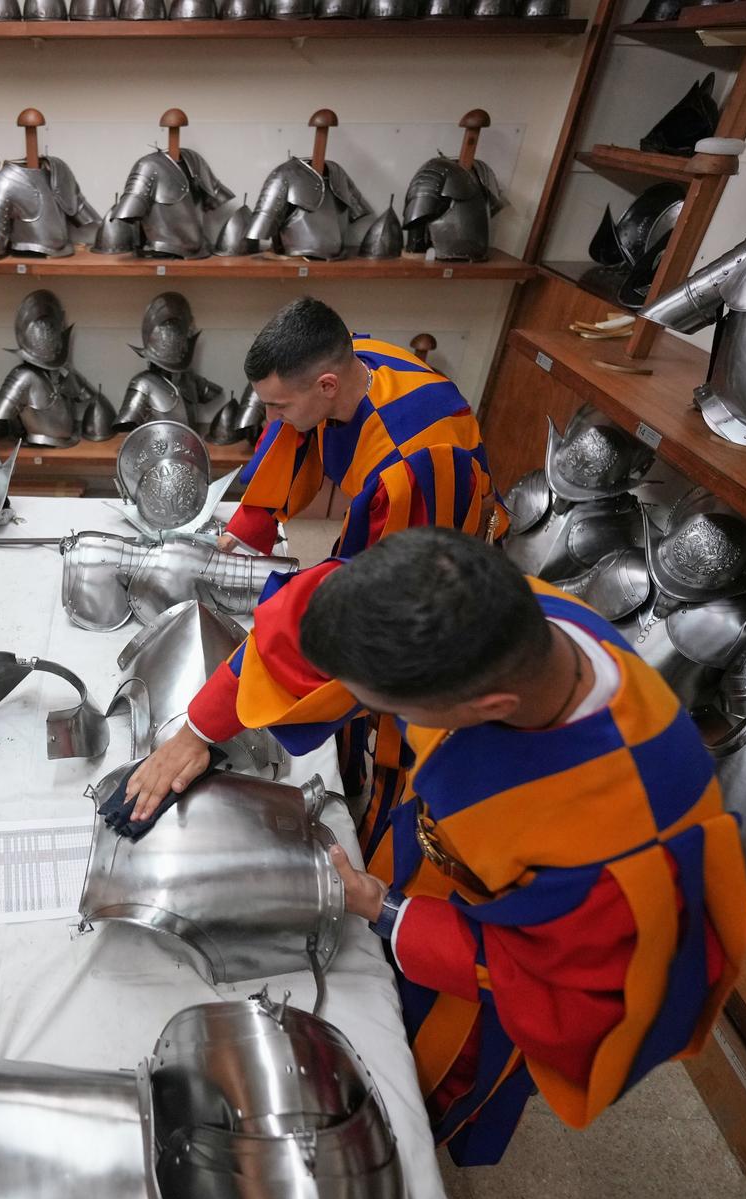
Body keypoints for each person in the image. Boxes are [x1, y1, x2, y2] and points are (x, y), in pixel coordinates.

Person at [310, 529, 746, 1164]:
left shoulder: (616, 856)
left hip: (488, 960)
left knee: (405, 1082)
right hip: (453, 858)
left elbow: (550, 988)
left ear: (488, 707)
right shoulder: (521, 616)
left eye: (390, 709)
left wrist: (389, 912)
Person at [123, 297, 501, 850]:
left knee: (390, 703)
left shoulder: (409, 470)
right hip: (395, 528)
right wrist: (245, 529)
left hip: (441, 574)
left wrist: (201, 727)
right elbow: (293, 434)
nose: (270, 419)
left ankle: (384, 847)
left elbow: (350, 606)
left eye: (277, 405)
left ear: (326, 385)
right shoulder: (356, 361)